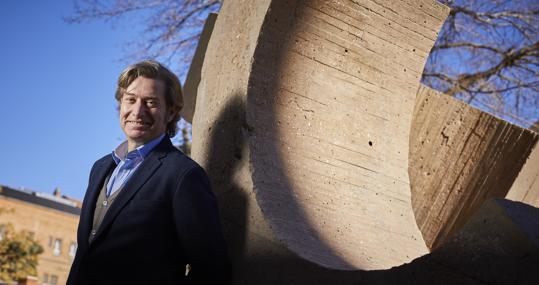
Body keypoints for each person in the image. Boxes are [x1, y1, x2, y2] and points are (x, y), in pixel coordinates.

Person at [67, 60, 230, 284]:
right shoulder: (100, 168)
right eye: (130, 100)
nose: (137, 111)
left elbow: (213, 269)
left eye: (151, 102)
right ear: (120, 105)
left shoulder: (184, 175)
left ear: (171, 111)